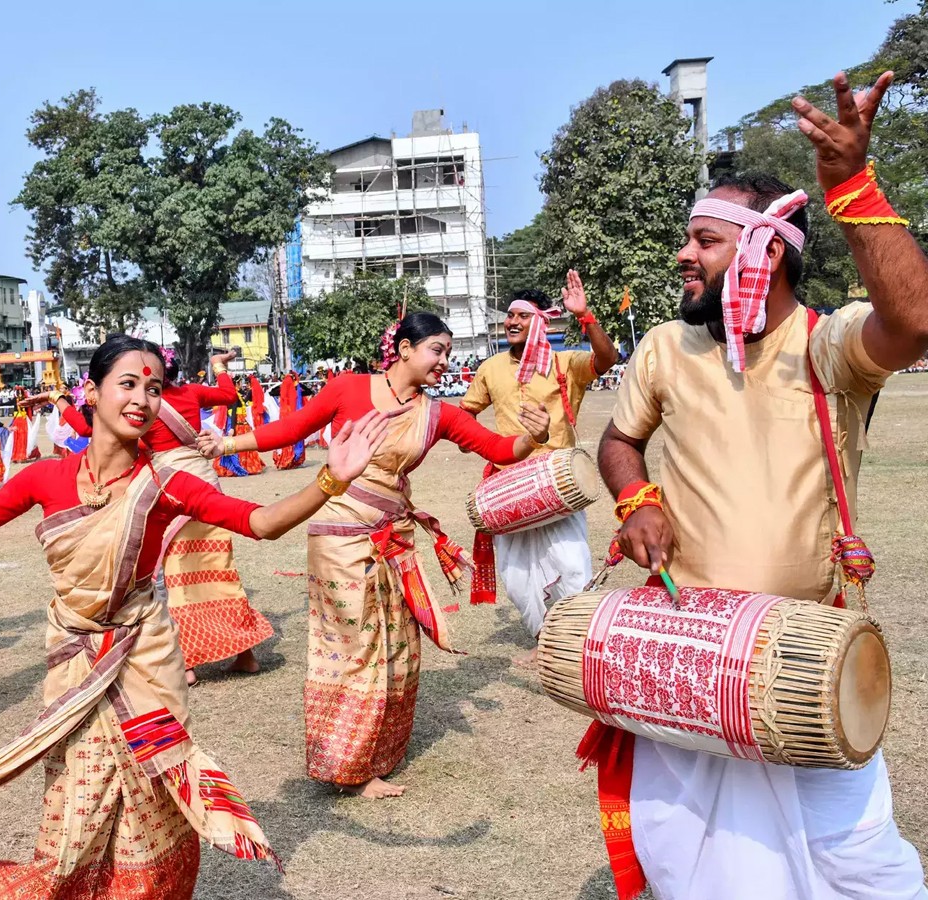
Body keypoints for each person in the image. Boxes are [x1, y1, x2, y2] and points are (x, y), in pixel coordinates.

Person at [0, 334, 388, 899]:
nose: (143, 398)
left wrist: (334, 478)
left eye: (154, 388)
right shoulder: (48, 477)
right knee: (77, 809)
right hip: (74, 665)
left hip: (145, 663)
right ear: (93, 390)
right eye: (128, 384)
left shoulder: (164, 483)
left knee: (151, 802)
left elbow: (263, 522)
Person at [594, 72, 928, 899]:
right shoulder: (668, 347)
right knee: (689, 858)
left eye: (705, 239)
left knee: (858, 862)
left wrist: (851, 183)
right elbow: (618, 439)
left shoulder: (828, 343)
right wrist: (637, 500)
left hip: (803, 659)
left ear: (764, 250)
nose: (683, 254)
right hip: (690, 656)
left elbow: (916, 322)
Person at [197, 312, 551, 799]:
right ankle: (345, 761)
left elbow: (498, 447)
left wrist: (533, 436)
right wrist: (227, 444)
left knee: (397, 647)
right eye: (437, 350)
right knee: (353, 648)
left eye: (447, 352)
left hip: (394, 538)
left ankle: (376, 757)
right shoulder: (348, 388)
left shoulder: (438, 413)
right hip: (339, 537)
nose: (444, 362)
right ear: (405, 349)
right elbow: (293, 427)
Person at [28, 349, 274, 687]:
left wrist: (59, 399)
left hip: (173, 492)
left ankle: (185, 664)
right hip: (206, 482)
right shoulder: (191, 392)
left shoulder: (140, 407)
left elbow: (86, 429)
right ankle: (245, 654)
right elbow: (229, 395)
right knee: (218, 569)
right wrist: (219, 365)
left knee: (172, 581)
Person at [461, 275, 618, 663]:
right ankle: (544, 639)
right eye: (508, 315)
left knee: (570, 565)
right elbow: (465, 412)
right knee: (516, 577)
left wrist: (585, 317)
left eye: (521, 316)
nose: (511, 321)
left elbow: (607, 360)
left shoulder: (565, 363)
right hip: (509, 484)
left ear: (540, 322)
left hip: (556, 483)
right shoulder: (491, 367)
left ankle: (575, 640)